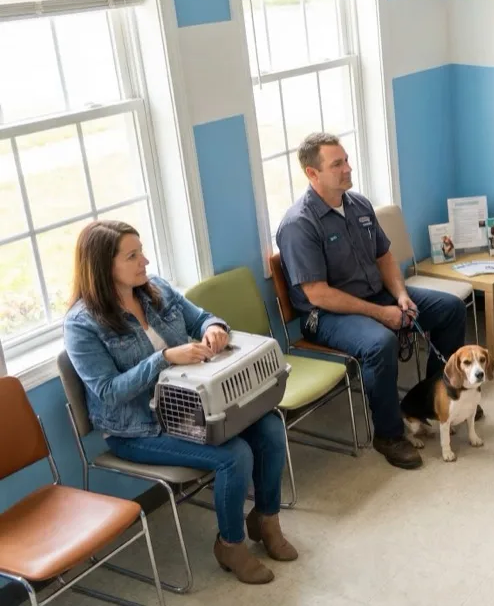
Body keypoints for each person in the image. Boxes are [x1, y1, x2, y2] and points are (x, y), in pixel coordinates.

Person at [63, 221, 295, 586]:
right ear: (103, 266)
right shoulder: (81, 325)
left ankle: (265, 520)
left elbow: (201, 316)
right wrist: (165, 357)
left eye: (141, 250)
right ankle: (231, 545)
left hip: (191, 410)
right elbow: (107, 391)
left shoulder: (156, 289)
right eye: (133, 255)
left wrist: (213, 328)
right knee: (234, 456)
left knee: (269, 427)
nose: (145, 260)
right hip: (137, 428)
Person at [276, 132, 467, 470]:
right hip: (326, 315)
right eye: (337, 164)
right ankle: (389, 434)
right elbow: (316, 294)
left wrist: (402, 295)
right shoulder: (299, 224)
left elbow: (384, 256)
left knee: (450, 309)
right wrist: (381, 313)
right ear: (312, 173)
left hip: (375, 295)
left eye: (347, 159)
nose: (348, 168)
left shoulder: (359, 204)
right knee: (380, 342)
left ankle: (439, 402)